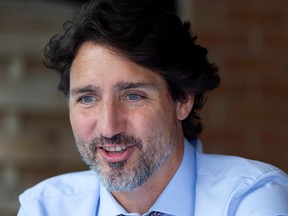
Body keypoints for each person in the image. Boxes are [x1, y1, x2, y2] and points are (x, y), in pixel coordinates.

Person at [18, 0, 288, 215]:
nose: (109, 127)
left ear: (183, 99)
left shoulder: (250, 198)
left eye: (133, 96)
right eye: (87, 98)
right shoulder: (45, 207)